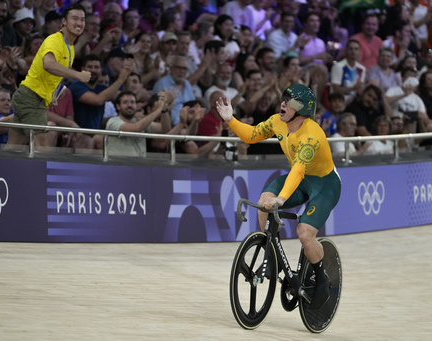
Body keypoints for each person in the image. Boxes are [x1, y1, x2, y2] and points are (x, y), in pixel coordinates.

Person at [216, 83, 341, 309]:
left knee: (304, 233)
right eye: (284, 98)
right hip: (302, 180)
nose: (283, 103)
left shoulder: (312, 135)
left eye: (290, 101)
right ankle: (271, 252)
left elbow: (299, 170)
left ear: (302, 109)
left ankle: (321, 278)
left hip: (324, 184)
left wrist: (282, 199)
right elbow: (252, 136)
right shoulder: (277, 121)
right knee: (264, 202)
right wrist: (230, 119)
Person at [5, 3, 92, 148]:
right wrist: (78, 75)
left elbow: (49, 73)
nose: (79, 23)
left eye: (82, 20)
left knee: (13, 148)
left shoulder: (69, 47)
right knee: (42, 146)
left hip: (31, 97)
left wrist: (50, 93)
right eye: (74, 18)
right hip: (30, 98)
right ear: (64, 21)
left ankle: (1, 170)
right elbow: (48, 64)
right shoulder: (54, 40)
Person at [105, 90, 170, 157]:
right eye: (125, 102)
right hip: (118, 164)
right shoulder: (113, 121)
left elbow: (164, 129)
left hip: (139, 165)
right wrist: (158, 109)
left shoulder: (139, 121)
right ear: (118, 106)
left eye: (132, 102)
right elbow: (137, 128)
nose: (129, 105)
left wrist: (164, 109)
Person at [152, 55, 195, 126]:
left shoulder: (187, 84)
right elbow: (156, 109)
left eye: (185, 69)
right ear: (171, 68)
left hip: (188, 125)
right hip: (169, 125)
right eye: (179, 68)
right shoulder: (162, 84)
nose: (182, 71)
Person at [330, 39, 366, 104]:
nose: (353, 51)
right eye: (351, 49)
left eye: (356, 49)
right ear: (346, 50)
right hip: (340, 100)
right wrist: (353, 88)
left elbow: (359, 89)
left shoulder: (361, 69)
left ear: (359, 51)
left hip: (355, 101)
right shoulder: (338, 67)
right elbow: (336, 89)